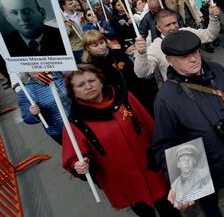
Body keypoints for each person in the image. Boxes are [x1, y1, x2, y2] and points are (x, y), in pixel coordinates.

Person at [152, 30, 224, 217]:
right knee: (210, 204)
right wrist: (179, 178)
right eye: (184, 56)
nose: (194, 59)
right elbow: (164, 143)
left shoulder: (217, 71)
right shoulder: (165, 99)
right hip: (203, 166)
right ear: (169, 60)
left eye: (195, 52)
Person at [62, 65, 180, 216]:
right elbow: (73, 158)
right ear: (73, 92)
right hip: (123, 180)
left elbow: (149, 125)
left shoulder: (123, 99)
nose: (88, 86)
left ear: (100, 80)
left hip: (151, 167)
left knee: (169, 207)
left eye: (91, 80)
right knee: (145, 212)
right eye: (80, 85)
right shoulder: (75, 123)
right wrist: (79, 165)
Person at [134, 6, 219, 81]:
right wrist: (141, 54)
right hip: (179, 92)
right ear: (159, 28)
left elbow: (210, 35)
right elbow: (142, 73)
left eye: (174, 23)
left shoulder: (186, 32)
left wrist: (213, 18)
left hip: (202, 82)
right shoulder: (156, 46)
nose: (173, 27)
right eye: (168, 25)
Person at [0, 0, 66, 57]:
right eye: (14, 13)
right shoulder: (4, 45)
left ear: (42, 13)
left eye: (27, 11)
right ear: (7, 17)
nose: (22, 18)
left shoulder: (62, 37)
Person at [16, 72, 70, 145]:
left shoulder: (60, 76)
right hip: (61, 131)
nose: (37, 68)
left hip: (82, 121)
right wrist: (32, 113)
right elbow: (27, 118)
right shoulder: (26, 91)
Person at [169, 143, 213, 208]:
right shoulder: (175, 185)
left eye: (189, 159)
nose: (186, 162)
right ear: (178, 164)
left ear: (194, 161)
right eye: (183, 160)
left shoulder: (204, 173)